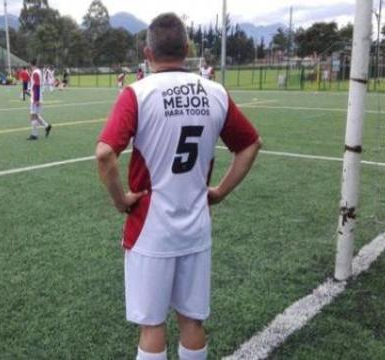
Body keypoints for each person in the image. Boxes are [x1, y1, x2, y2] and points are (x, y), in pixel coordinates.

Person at [96, 13, 261, 360]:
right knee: (192, 321)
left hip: (150, 230)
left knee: (153, 326)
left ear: (147, 52)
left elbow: (105, 154)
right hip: (196, 227)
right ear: (187, 49)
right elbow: (250, 144)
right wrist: (220, 191)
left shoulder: (137, 94)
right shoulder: (216, 93)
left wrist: (119, 200)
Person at [27, 59, 52, 141]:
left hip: (36, 98)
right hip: (36, 97)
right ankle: (47, 126)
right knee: (36, 116)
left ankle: (34, 135)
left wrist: (36, 99)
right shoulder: (38, 71)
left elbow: (37, 86)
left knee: (33, 116)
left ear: (31, 64)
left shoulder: (35, 73)